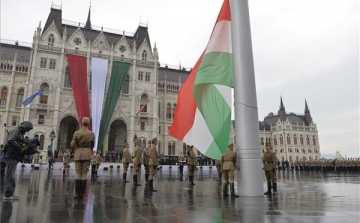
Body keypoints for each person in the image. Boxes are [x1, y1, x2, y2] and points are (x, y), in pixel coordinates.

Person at [3, 121, 33, 200]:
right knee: (10, 176)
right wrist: (20, 148)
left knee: (11, 175)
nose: (28, 131)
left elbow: (19, 142)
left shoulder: (20, 133)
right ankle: (7, 195)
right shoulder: (15, 131)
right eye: (28, 129)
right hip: (11, 156)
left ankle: (9, 193)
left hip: (14, 156)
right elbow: (11, 140)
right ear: (25, 127)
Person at [71, 117, 95, 199]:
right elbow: (93, 145)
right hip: (87, 154)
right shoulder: (91, 133)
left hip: (78, 153)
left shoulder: (77, 133)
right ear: (88, 124)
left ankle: (77, 193)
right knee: (84, 173)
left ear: (82, 123)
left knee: (78, 173)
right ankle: (82, 193)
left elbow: (72, 145)